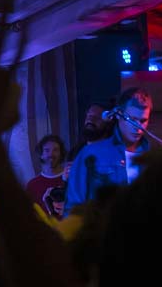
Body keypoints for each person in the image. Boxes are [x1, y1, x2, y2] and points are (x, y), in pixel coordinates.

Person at [64, 87, 153, 215]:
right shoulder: (90, 153)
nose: (138, 127)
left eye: (143, 121)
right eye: (132, 119)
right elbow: (73, 207)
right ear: (118, 115)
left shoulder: (153, 158)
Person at [24, 135, 67, 218]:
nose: (51, 154)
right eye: (47, 150)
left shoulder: (72, 179)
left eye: (55, 150)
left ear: (61, 154)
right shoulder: (32, 185)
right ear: (41, 155)